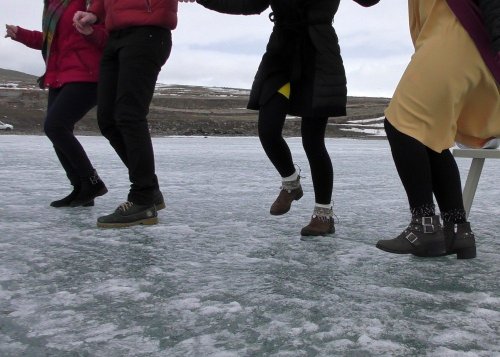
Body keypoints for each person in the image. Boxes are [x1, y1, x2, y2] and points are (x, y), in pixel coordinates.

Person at [179, 0, 379, 237]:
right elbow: (247, 4)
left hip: (319, 55)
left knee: (313, 141)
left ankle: (323, 215)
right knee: (268, 130)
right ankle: (291, 183)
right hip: (281, 55)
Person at [375, 0, 500, 259]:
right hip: (449, 36)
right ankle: (458, 231)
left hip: (459, 33)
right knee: (430, 136)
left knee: (401, 124)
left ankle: (425, 226)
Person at [73, 0, 178, 228]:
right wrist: (94, 14)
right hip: (115, 35)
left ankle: (142, 197)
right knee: (108, 120)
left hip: (148, 32)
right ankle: (149, 189)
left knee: (130, 115)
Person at [5, 0, 108, 208]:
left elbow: (110, 35)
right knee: (56, 130)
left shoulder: (91, 2)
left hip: (87, 74)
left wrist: (91, 31)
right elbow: (53, 41)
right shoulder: (53, 5)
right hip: (60, 75)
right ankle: (81, 188)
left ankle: (91, 182)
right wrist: (22, 34)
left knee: (55, 126)